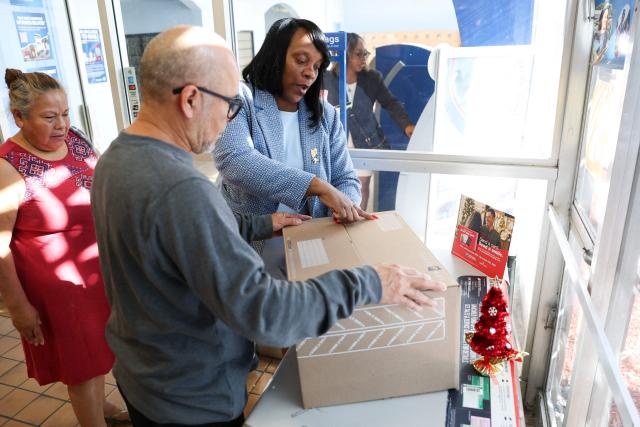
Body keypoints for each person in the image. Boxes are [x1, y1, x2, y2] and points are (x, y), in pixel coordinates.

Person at [90, 25, 446, 426]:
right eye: (229, 104)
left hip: (145, 374)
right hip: (191, 395)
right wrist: (373, 282)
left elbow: (173, 243)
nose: (230, 118)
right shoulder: (183, 190)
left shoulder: (115, 158)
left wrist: (262, 222)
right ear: (191, 99)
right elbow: (265, 312)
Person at [0, 70, 128, 426]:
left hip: (96, 271)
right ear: (19, 117)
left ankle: (101, 409)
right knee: (82, 366)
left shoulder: (75, 139)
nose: (62, 125)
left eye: (66, 114)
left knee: (102, 350)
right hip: (57, 288)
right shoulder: (7, 167)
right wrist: (18, 307)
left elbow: (104, 177)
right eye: (49, 117)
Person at [213, 18, 369, 224]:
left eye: (317, 66)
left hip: (312, 238)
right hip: (252, 240)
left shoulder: (326, 115)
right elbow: (234, 159)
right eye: (301, 60)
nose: (309, 73)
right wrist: (317, 186)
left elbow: (345, 178)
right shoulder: (240, 98)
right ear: (275, 57)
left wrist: (344, 205)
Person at [324, 32, 416, 210]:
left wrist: (407, 125)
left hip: (366, 142)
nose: (364, 58)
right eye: (359, 54)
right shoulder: (326, 79)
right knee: (336, 188)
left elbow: (390, 102)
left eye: (365, 53)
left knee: (362, 187)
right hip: (336, 143)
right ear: (346, 54)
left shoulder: (372, 78)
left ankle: (358, 220)